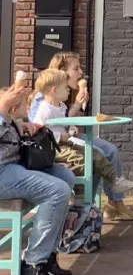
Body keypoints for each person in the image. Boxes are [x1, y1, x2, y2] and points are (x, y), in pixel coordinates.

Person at [28, 51, 133, 221]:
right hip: (56, 146)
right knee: (94, 154)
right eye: (76, 68)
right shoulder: (43, 100)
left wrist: (76, 109)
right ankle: (87, 206)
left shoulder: (61, 96)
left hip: (66, 138)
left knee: (110, 149)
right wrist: (75, 108)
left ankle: (115, 202)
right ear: (62, 72)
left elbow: (63, 121)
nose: (80, 73)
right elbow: (42, 129)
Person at [0, 84, 74, 275]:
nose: (30, 108)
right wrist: (2, 108)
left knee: (65, 177)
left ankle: (48, 254)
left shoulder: (8, 118)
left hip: (14, 167)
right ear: (14, 107)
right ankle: (34, 264)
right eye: (26, 104)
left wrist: (21, 125)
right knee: (58, 191)